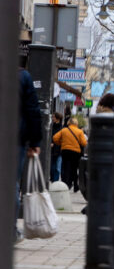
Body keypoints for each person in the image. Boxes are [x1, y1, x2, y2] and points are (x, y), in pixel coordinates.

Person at [17, 65, 43, 243]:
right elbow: (33, 110)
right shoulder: (23, 76)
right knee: (11, 184)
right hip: (14, 139)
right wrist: (35, 142)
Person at [52, 115, 87, 193]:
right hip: (75, 152)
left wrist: (61, 143)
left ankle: (66, 185)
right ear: (76, 123)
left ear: (69, 123)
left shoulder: (64, 130)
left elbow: (55, 138)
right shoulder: (79, 131)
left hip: (65, 151)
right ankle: (75, 186)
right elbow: (84, 143)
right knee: (74, 169)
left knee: (66, 168)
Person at [49, 112, 63, 182]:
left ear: (58, 119)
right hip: (52, 150)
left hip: (58, 150)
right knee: (52, 167)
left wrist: (54, 143)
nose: (52, 118)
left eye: (54, 117)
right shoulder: (51, 126)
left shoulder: (61, 128)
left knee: (57, 167)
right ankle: (53, 180)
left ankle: (55, 181)